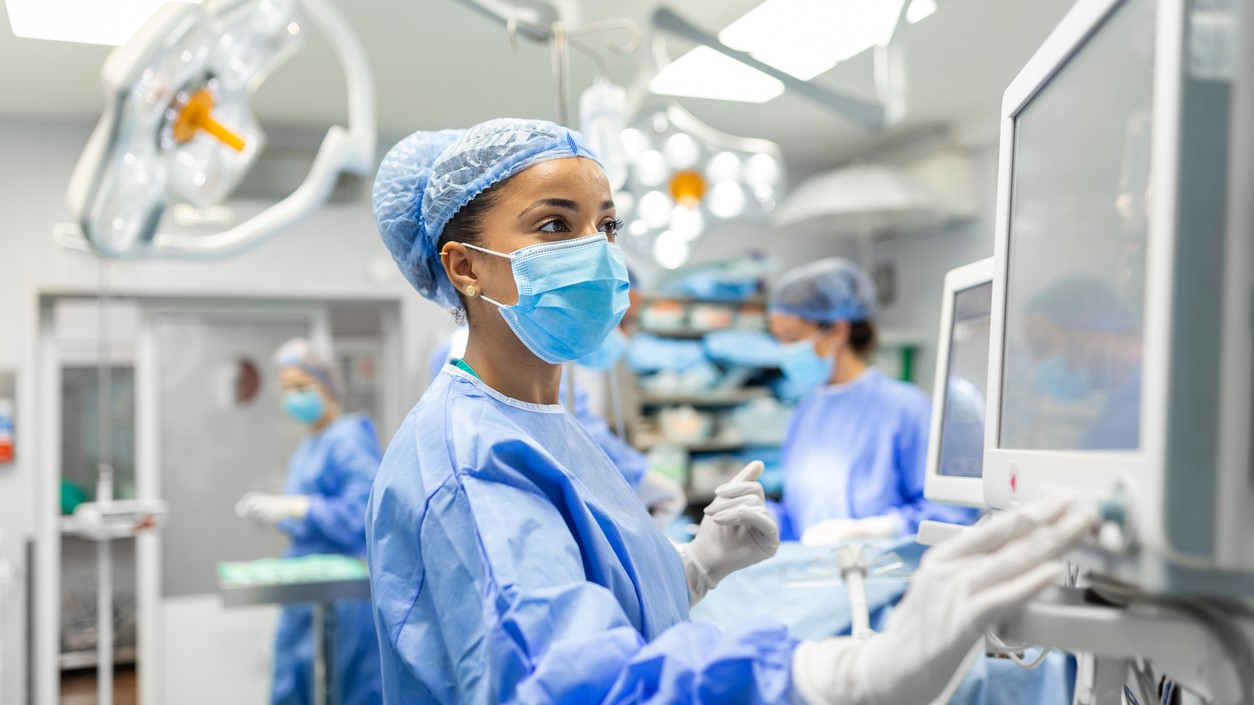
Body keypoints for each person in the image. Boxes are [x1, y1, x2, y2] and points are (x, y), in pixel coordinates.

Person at [366, 118, 1095, 705]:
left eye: (607, 225)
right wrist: (840, 676)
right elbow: (568, 682)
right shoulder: (469, 458)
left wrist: (693, 568)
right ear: (464, 267)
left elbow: (588, 601)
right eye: (556, 226)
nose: (597, 253)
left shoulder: (545, 424)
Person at [425, 269, 687, 526]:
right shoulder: (501, 359)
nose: (624, 334)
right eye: (621, 319)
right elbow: (569, 428)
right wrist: (638, 475)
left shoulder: (551, 362)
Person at [765, 258, 978, 545]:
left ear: (838, 331)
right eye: (778, 338)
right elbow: (801, 511)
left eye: (791, 337)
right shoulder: (806, 411)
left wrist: (879, 529)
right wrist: (765, 521)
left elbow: (952, 513)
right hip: (813, 578)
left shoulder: (905, 408)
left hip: (884, 581)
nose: (784, 351)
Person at [236, 338, 383, 705]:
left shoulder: (347, 438)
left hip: (344, 595)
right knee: (292, 685)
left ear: (328, 385)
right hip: (306, 588)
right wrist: (280, 516)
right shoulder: (309, 445)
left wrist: (300, 507)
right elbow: (312, 523)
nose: (293, 398)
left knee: (346, 689)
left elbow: (364, 516)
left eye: (302, 387)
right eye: (287, 390)